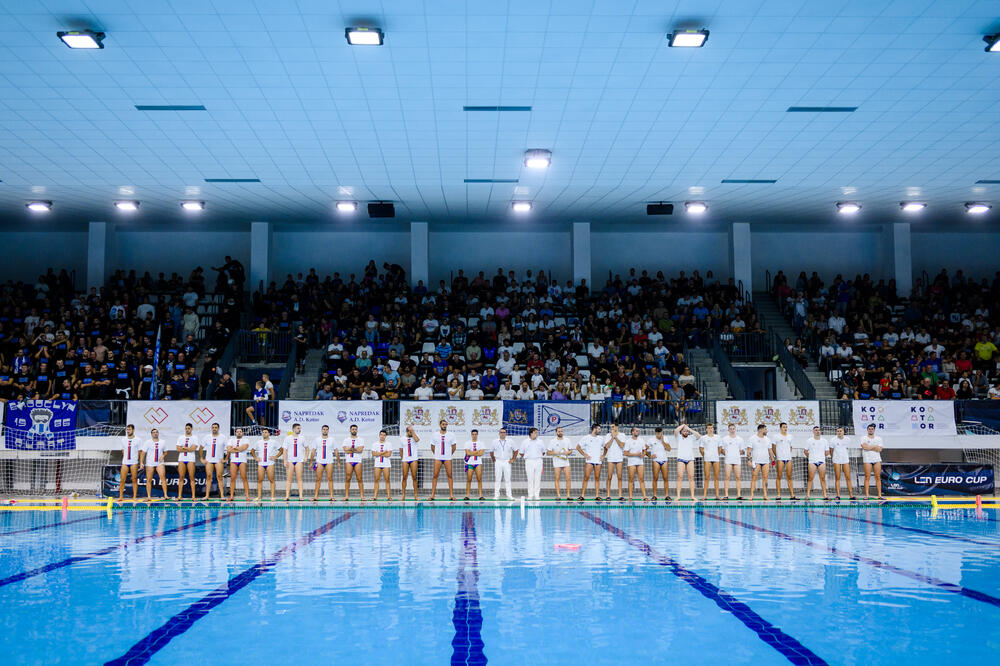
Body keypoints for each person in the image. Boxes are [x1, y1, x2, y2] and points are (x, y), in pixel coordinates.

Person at [250, 428, 281, 501]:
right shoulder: (258, 442)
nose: (264, 433)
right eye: (263, 432)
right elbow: (252, 450)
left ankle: (272, 496)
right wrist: (255, 457)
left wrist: (275, 456)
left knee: (271, 480)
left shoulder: (273, 442)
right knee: (260, 480)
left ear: (269, 433)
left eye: (266, 432)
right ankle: (259, 496)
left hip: (270, 463)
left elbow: (281, 450)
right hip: (261, 463)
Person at [429, 420, 457, 501]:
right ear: (440, 425)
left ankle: (451, 495)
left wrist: (448, 454)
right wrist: (437, 454)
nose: (444, 425)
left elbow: (454, 447)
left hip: (447, 458)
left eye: (445, 424)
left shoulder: (451, 435)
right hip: (438, 458)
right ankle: (432, 495)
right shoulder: (435, 435)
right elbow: (432, 446)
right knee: (435, 475)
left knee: (450, 475)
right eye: (443, 424)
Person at [575, 424, 604, 500]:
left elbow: (606, 447)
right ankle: (582, 495)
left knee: (597, 478)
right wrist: (584, 454)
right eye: (598, 429)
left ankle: (597, 496)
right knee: (586, 477)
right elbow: (578, 447)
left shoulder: (601, 438)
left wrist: (603, 455)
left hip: (598, 461)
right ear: (594, 429)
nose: (600, 430)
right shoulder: (586, 438)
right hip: (589, 461)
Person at [311, 424, 338, 501]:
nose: (325, 430)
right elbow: (313, 451)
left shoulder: (332, 439)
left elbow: (336, 450)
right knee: (318, 479)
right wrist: (311, 462)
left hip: (329, 461)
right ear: (321, 430)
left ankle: (331, 496)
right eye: (324, 429)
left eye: (326, 429)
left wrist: (339, 461)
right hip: (319, 461)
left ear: (328, 430)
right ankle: (316, 496)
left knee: (330, 478)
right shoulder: (317, 439)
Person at [674, 423, 700, 502]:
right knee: (680, 477)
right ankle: (678, 496)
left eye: (687, 431)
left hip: (690, 459)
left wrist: (688, 428)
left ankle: (692, 496)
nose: (686, 432)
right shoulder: (678, 437)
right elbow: (675, 431)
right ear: (681, 432)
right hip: (681, 459)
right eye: (684, 431)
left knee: (691, 477)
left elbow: (698, 435)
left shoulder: (691, 437)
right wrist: (683, 425)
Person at [771, 422, 797, 500]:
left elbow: (790, 447)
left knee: (789, 476)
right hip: (780, 458)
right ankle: (778, 494)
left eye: (786, 427)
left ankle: (792, 495)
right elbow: (773, 447)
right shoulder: (776, 436)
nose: (785, 428)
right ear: (780, 428)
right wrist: (777, 456)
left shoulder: (790, 436)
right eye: (783, 427)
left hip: (788, 458)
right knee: (779, 476)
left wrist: (788, 454)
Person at [546, 427, 573, 501]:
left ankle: (568, 495)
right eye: (559, 431)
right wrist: (555, 452)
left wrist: (568, 452)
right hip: (557, 462)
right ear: (556, 432)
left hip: (566, 462)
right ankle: (558, 496)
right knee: (557, 478)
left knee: (568, 478)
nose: (560, 432)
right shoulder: (552, 441)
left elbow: (571, 451)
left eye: (561, 431)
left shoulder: (567, 440)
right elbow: (548, 452)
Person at [201, 422, 226, 500]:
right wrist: (202, 458)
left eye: (216, 427)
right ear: (211, 428)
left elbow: (229, 448)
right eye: (213, 427)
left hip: (218, 460)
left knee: (219, 477)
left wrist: (226, 458)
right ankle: (207, 496)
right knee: (208, 477)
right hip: (209, 460)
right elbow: (201, 448)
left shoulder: (223, 437)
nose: (214, 429)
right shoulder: (207, 437)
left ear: (218, 428)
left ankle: (222, 495)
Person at [747, 424, 773, 501]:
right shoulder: (752, 438)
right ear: (760, 430)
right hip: (756, 461)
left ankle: (765, 495)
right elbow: (749, 450)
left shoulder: (768, 439)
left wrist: (773, 460)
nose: (766, 431)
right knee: (754, 478)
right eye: (765, 429)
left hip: (766, 461)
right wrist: (748, 460)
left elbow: (770, 450)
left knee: (765, 478)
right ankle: (752, 495)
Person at [490, 427, 517, 500]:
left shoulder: (510, 441)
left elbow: (516, 450)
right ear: (499, 434)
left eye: (504, 432)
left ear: (506, 433)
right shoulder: (494, 441)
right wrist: (494, 460)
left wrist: (513, 459)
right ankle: (496, 495)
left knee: (507, 479)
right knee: (497, 479)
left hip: (507, 461)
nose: (502, 434)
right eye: (501, 432)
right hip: (498, 461)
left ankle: (509, 495)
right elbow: (491, 452)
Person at [142, 428, 168, 500]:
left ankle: (165, 495)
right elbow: (143, 452)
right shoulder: (147, 442)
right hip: (150, 463)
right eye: (153, 432)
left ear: (158, 433)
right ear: (151, 434)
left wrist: (163, 456)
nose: (155, 433)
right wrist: (141, 462)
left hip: (159, 463)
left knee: (163, 478)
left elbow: (165, 452)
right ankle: (149, 496)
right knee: (149, 480)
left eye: (156, 432)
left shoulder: (163, 442)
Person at [805, 426, 831, 500]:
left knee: (822, 478)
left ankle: (825, 495)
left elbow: (827, 452)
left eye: (819, 430)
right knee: (810, 478)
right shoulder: (809, 441)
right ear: (813, 432)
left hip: (821, 461)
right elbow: (805, 451)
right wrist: (811, 457)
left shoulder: (824, 441)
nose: (818, 431)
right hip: (812, 462)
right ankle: (808, 495)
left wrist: (821, 457)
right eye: (816, 430)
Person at [859, 423, 884, 499]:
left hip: (877, 459)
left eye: (872, 429)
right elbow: (864, 447)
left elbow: (880, 449)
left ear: (874, 430)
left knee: (878, 477)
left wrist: (869, 447)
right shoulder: (863, 438)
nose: (870, 430)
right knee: (867, 477)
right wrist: (874, 446)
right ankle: (867, 495)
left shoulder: (879, 438)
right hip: (867, 459)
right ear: (867, 430)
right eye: (869, 429)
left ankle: (879, 495)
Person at [623, 426, 648, 501]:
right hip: (631, 462)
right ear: (632, 432)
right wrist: (635, 454)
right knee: (631, 479)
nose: (638, 432)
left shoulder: (641, 440)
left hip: (640, 462)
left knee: (641, 479)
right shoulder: (628, 441)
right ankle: (630, 496)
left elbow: (644, 450)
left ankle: (644, 496)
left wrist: (643, 454)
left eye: (638, 431)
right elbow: (625, 453)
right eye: (636, 431)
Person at [283, 423, 307, 501]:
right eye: (298, 428)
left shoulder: (302, 438)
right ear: (293, 429)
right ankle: (287, 496)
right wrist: (285, 460)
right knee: (289, 479)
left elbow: (307, 448)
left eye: (300, 428)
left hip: (299, 461)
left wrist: (306, 457)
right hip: (290, 461)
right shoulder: (287, 438)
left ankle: (301, 496)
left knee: (299, 479)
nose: (299, 430)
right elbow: (284, 450)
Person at [175, 422, 198, 501]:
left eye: (189, 428)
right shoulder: (181, 437)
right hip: (182, 459)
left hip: (190, 459)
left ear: (191, 429)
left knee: (192, 477)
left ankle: (193, 496)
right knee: (181, 477)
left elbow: (193, 449)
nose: (187, 430)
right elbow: (178, 449)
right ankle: (179, 496)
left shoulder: (195, 437)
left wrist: (184, 448)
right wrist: (188, 448)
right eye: (186, 428)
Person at [342, 423, 365, 501]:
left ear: (357, 430)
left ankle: (362, 496)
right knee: (348, 478)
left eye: (355, 429)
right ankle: (346, 496)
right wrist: (355, 449)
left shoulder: (360, 439)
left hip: (357, 461)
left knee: (359, 478)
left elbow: (360, 450)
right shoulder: (346, 440)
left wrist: (350, 449)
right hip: (349, 461)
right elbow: (346, 451)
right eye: (352, 429)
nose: (354, 430)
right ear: (350, 430)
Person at [226, 427, 251, 501]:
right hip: (233, 461)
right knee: (232, 478)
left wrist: (234, 448)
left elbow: (244, 448)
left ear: (242, 433)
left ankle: (247, 496)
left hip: (242, 461)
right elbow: (229, 450)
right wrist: (238, 448)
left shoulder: (246, 440)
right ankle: (231, 496)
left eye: (240, 431)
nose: (239, 433)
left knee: (244, 478)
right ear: (235, 433)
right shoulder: (231, 440)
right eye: (237, 431)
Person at [721, 423, 745, 500]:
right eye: (730, 429)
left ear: (735, 429)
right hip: (728, 460)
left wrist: (737, 454)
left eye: (733, 429)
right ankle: (726, 495)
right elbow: (722, 450)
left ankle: (738, 495)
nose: (732, 430)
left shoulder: (740, 439)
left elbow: (742, 450)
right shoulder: (725, 439)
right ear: (728, 430)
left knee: (738, 477)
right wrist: (728, 454)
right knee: (727, 477)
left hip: (737, 460)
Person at [699, 423, 722, 501]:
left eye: (711, 428)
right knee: (707, 477)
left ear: (713, 429)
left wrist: (716, 455)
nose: (710, 429)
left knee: (716, 477)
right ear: (706, 429)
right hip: (707, 459)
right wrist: (705, 455)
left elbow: (720, 448)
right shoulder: (703, 438)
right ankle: (704, 495)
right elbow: (701, 448)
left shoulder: (718, 437)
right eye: (708, 428)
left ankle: (717, 495)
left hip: (716, 459)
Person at [521, 427, 546, 500]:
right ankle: (530, 495)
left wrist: (537, 456)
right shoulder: (525, 442)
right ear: (531, 433)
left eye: (537, 433)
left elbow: (543, 452)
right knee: (530, 478)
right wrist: (529, 457)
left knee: (538, 478)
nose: (537, 434)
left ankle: (537, 494)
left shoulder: (540, 441)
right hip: (529, 461)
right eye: (535, 433)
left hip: (538, 460)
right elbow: (521, 453)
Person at [830, 426, 855, 500]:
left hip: (845, 460)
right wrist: (834, 458)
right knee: (837, 477)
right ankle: (838, 495)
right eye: (838, 431)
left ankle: (851, 495)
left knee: (848, 477)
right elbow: (831, 450)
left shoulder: (848, 439)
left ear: (843, 432)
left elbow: (847, 448)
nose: (839, 432)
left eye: (840, 431)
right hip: (836, 460)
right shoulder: (833, 440)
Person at [647, 427, 671, 500]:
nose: (659, 434)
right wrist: (650, 456)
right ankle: (654, 495)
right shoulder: (651, 439)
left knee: (665, 478)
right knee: (655, 478)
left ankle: (667, 495)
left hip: (664, 460)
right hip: (656, 460)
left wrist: (663, 441)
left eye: (660, 433)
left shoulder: (665, 438)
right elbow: (644, 449)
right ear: (655, 433)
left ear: (662, 432)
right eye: (657, 433)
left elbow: (669, 449)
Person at [603, 423, 625, 500]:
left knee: (620, 477)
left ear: (617, 427)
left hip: (619, 458)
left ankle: (620, 495)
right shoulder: (608, 435)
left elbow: (622, 445)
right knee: (609, 476)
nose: (611, 428)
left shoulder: (622, 435)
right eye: (610, 427)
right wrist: (612, 438)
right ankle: (608, 495)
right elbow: (607, 446)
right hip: (611, 458)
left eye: (612, 427)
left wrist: (616, 437)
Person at [118, 424, 141, 500]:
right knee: (122, 480)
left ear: (133, 430)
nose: (128, 431)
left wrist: (140, 462)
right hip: (125, 462)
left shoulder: (138, 440)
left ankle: (134, 496)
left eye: (129, 429)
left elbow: (140, 452)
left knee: (134, 479)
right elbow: (122, 450)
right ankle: (121, 496)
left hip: (134, 462)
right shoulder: (123, 440)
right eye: (127, 429)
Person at [399, 425, 421, 500]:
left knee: (414, 477)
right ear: (407, 431)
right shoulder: (402, 439)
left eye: (412, 431)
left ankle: (416, 495)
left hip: (414, 459)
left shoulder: (414, 437)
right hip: (405, 459)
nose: (411, 433)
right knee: (404, 477)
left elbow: (417, 440)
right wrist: (403, 459)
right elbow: (401, 450)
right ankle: (403, 495)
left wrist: (413, 432)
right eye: (410, 431)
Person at [463, 428, 485, 500]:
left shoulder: (481, 443)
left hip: (478, 463)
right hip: (470, 463)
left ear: (477, 435)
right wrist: (476, 452)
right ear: (471, 435)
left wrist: (472, 452)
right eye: (473, 434)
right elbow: (468, 453)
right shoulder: (467, 443)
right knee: (469, 479)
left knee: (479, 479)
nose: (474, 436)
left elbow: (481, 453)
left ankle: (480, 495)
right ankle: (467, 495)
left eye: (475, 434)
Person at [372, 429, 393, 500]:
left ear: (386, 436)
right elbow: (373, 453)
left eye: (384, 435)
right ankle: (375, 496)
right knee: (376, 480)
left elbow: (389, 454)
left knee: (387, 480)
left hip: (386, 464)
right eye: (381, 435)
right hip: (377, 464)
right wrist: (383, 452)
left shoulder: (389, 444)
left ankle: (389, 496)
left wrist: (379, 453)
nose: (382, 436)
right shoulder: (375, 444)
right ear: (379, 435)